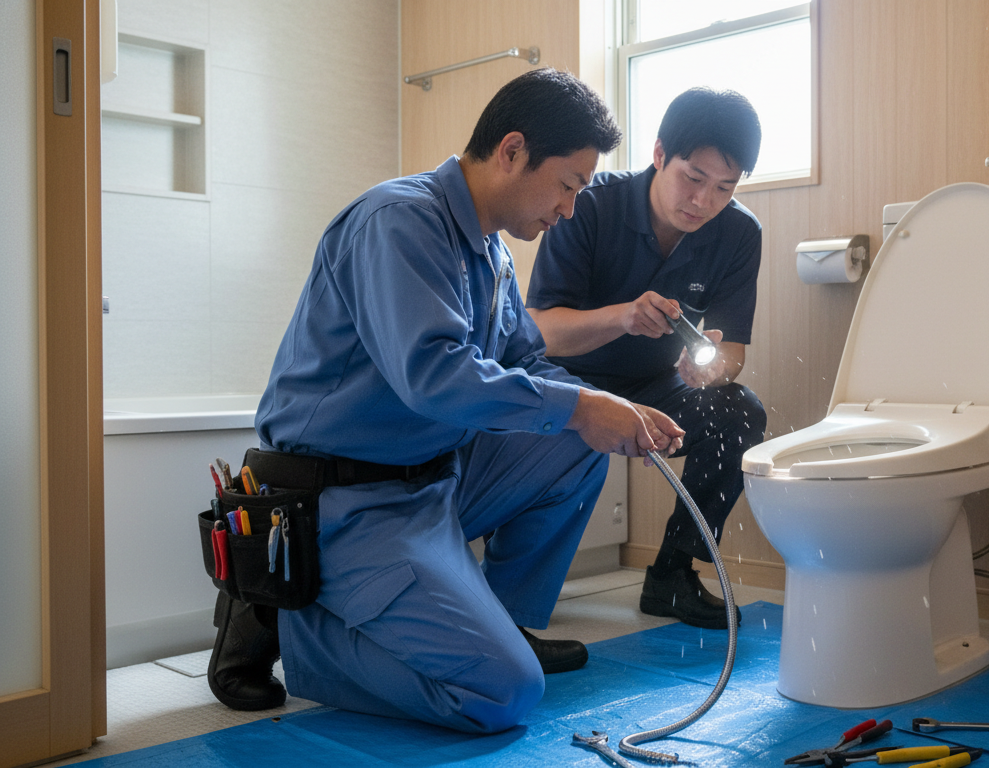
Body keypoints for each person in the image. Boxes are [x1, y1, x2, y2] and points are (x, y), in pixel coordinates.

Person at [207, 68, 684, 733]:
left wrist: (608, 409)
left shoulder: (491, 253)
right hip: (346, 502)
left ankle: (498, 623)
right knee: (502, 694)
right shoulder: (398, 221)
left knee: (580, 442)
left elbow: (521, 361)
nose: (570, 210)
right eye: (568, 186)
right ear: (513, 150)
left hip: (432, 482)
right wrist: (582, 408)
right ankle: (297, 622)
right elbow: (435, 376)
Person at [526, 88, 767, 631]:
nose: (704, 201)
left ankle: (672, 575)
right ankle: (511, 602)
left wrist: (710, 369)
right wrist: (622, 317)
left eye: (725, 188)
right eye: (694, 178)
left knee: (739, 412)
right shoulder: (589, 204)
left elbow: (731, 350)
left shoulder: (739, 233)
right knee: (530, 428)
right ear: (660, 154)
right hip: (564, 379)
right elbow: (541, 331)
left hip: (654, 383)